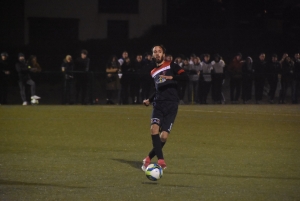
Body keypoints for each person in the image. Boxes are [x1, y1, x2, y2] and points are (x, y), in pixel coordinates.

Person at [141, 45, 188, 171]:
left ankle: (148, 158)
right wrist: (149, 100)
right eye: (155, 52)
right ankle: (161, 160)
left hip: (172, 105)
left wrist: (172, 77)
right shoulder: (153, 72)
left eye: (159, 51)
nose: (157, 54)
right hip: (158, 104)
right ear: (152, 55)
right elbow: (158, 90)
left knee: (164, 137)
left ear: (163, 54)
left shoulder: (171, 65)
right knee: (154, 129)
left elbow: (185, 77)